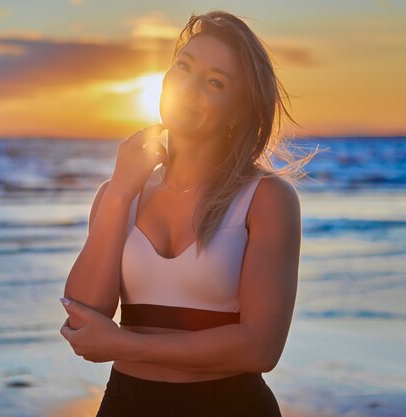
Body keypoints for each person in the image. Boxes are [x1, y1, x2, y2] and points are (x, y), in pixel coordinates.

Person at [59, 9, 317, 417]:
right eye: (184, 66)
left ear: (237, 110)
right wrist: (121, 191)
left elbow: (260, 347)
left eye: (214, 82)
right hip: (125, 405)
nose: (189, 87)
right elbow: (82, 317)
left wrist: (126, 344)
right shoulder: (118, 196)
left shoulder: (266, 199)